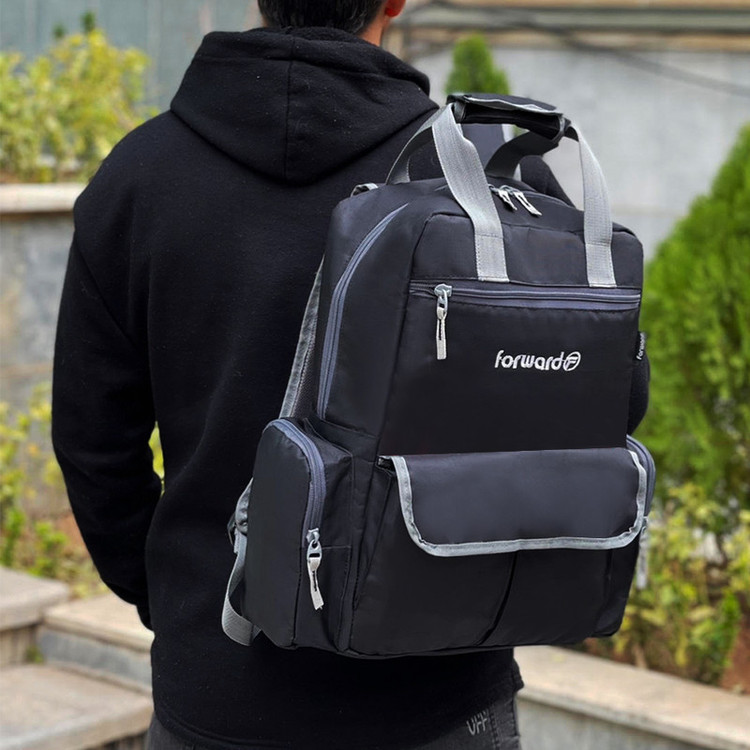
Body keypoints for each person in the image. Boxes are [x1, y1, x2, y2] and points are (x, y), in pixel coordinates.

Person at [52, 1, 648, 748]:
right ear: (394, 1)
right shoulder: (489, 175)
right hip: (440, 692)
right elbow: (597, 409)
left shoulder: (139, 176)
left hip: (215, 687)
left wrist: (180, 598)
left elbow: (93, 449)